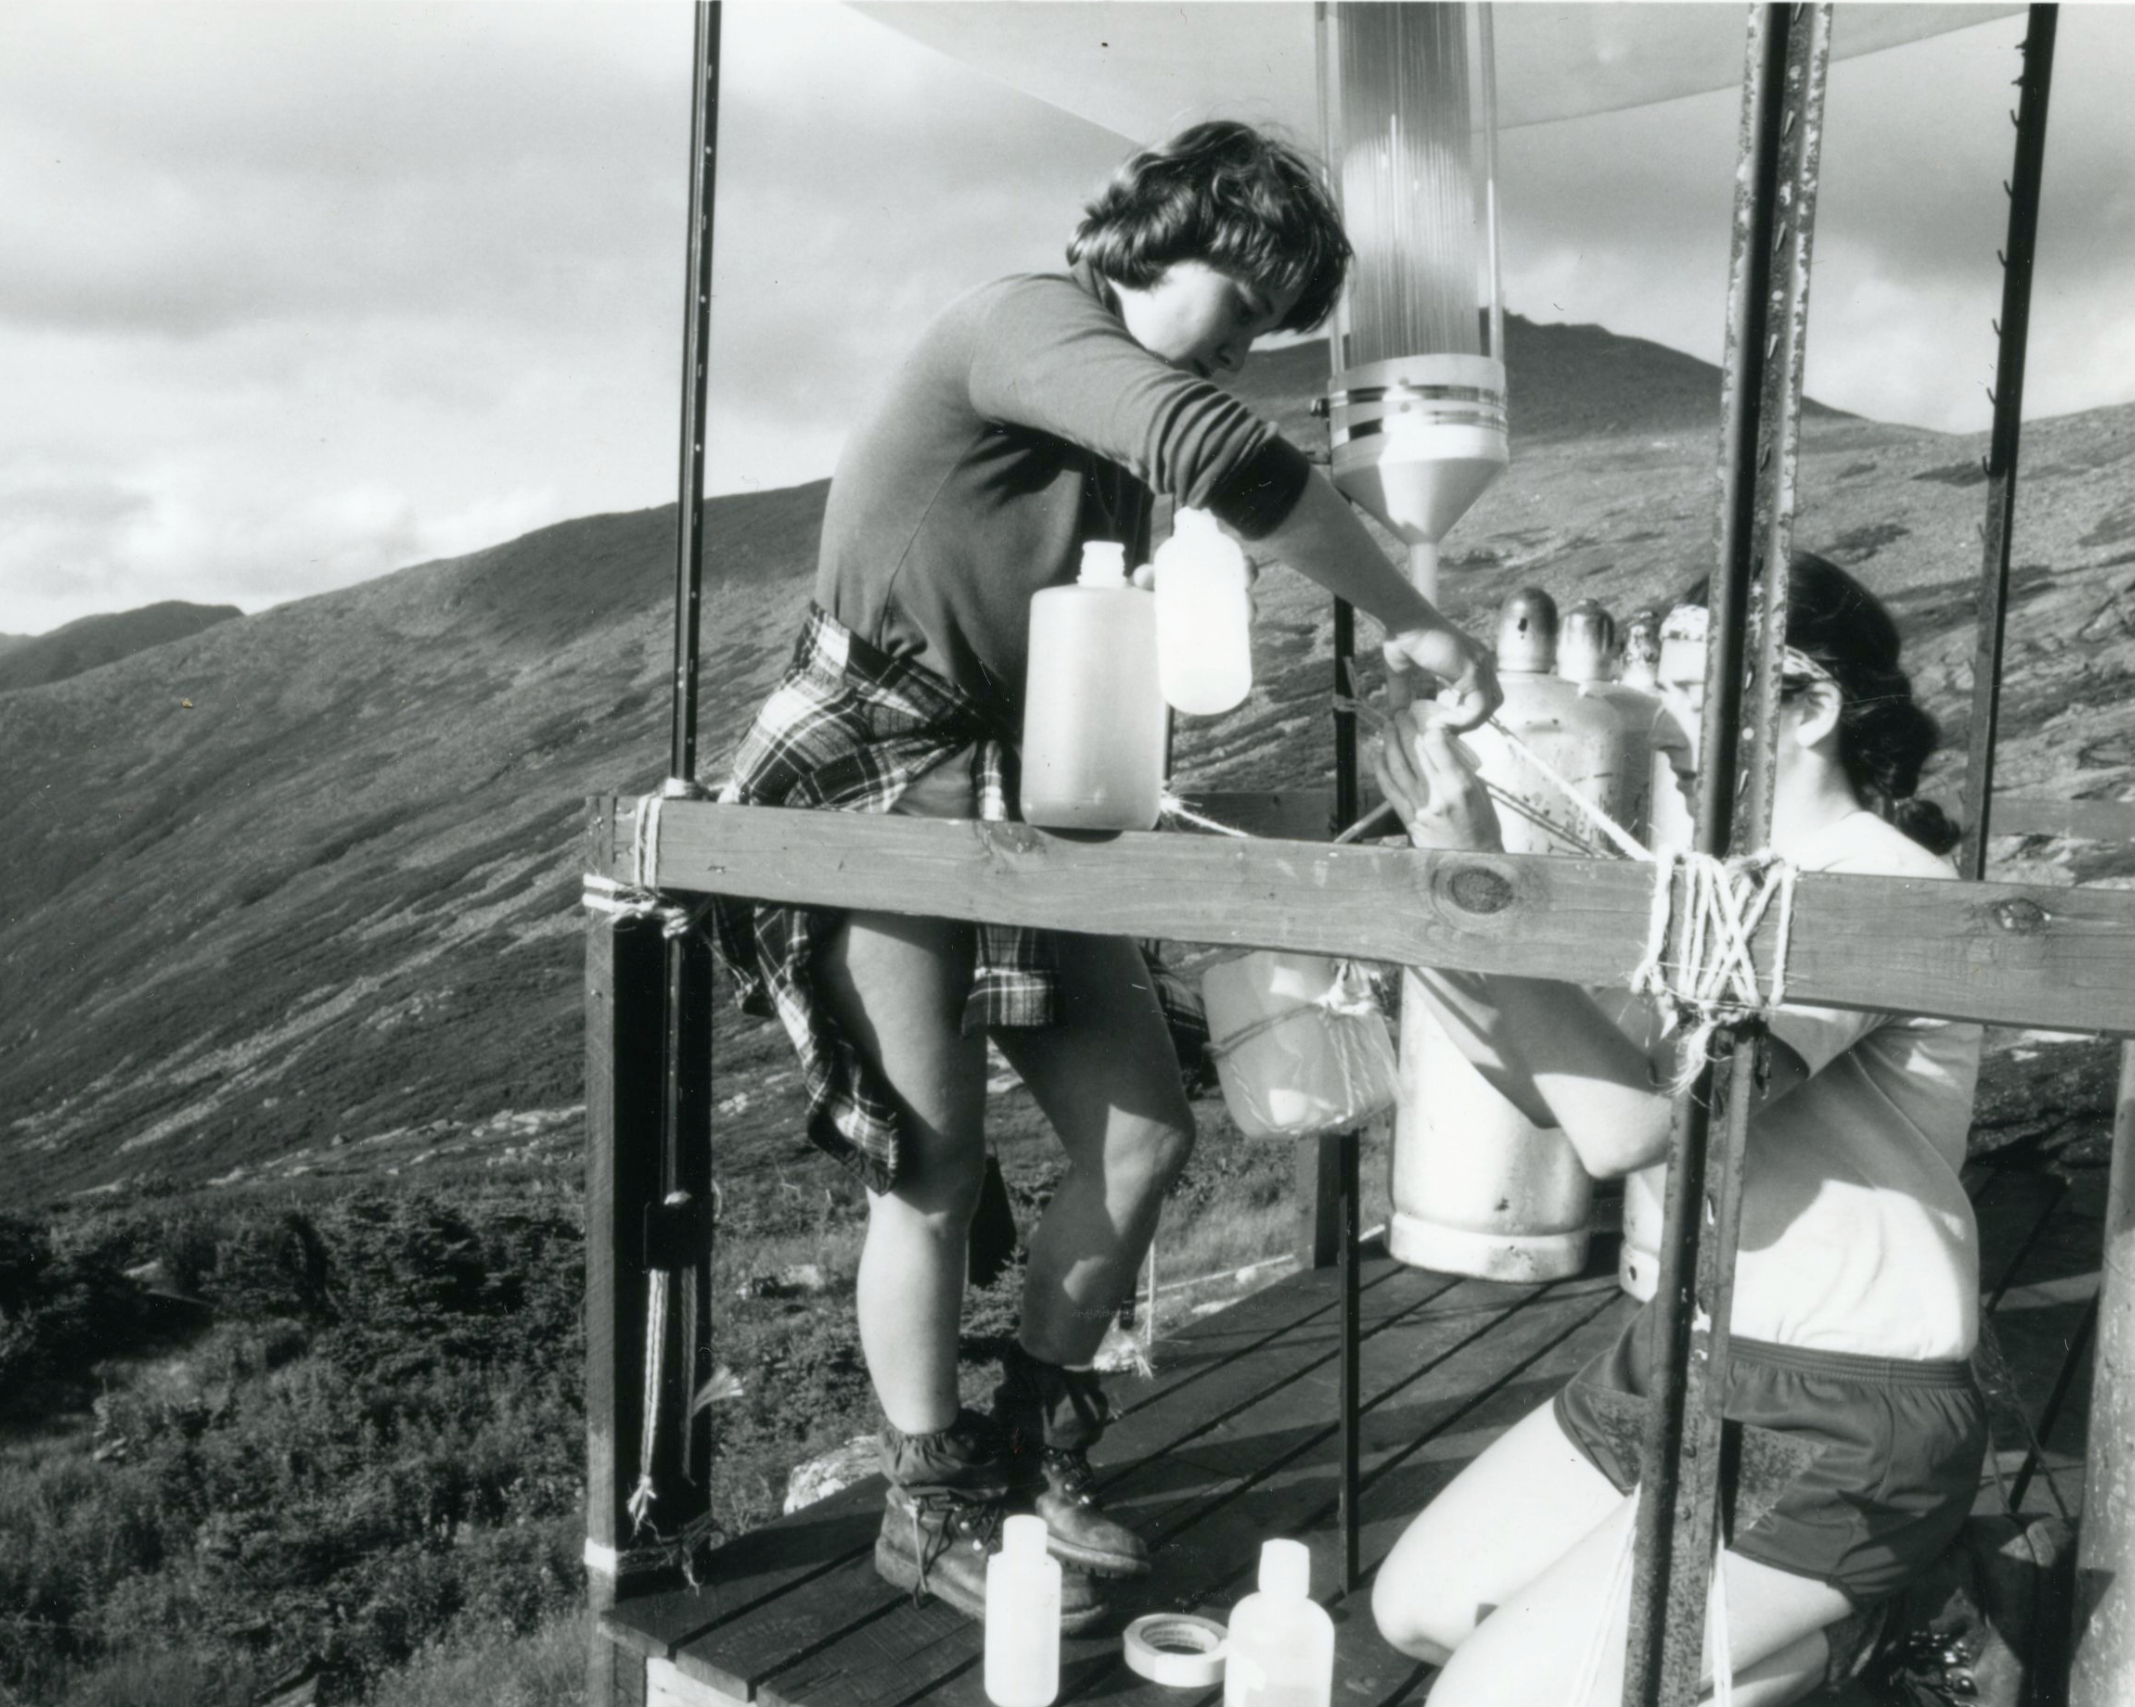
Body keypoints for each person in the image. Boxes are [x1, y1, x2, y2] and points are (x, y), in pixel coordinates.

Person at [709, 120, 1500, 1629]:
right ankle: (927, 1498)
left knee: (1142, 1131)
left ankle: (1024, 1443)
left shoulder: (1126, 419)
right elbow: (1225, 456)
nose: (1252, 345)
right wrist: (1411, 618)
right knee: (929, 1166)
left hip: (1019, 791)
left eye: (1275, 325)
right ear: (1166, 237)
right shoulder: (1028, 327)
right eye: (1248, 302)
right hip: (881, 767)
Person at [1365, 552, 1985, 1704]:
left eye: (1696, 679)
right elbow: (1548, 1086)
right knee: (1417, 1611)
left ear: (1811, 708)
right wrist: (1446, 896)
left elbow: (1624, 1132)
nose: (1657, 711)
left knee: (1486, 1700)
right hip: (1691, 1354)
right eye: (1666, 671)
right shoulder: (1724, 882)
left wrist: (1478, 876)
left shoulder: (1865, 888)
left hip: (1845, 1411)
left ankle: (1869, 1623)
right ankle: (1818, 1621)